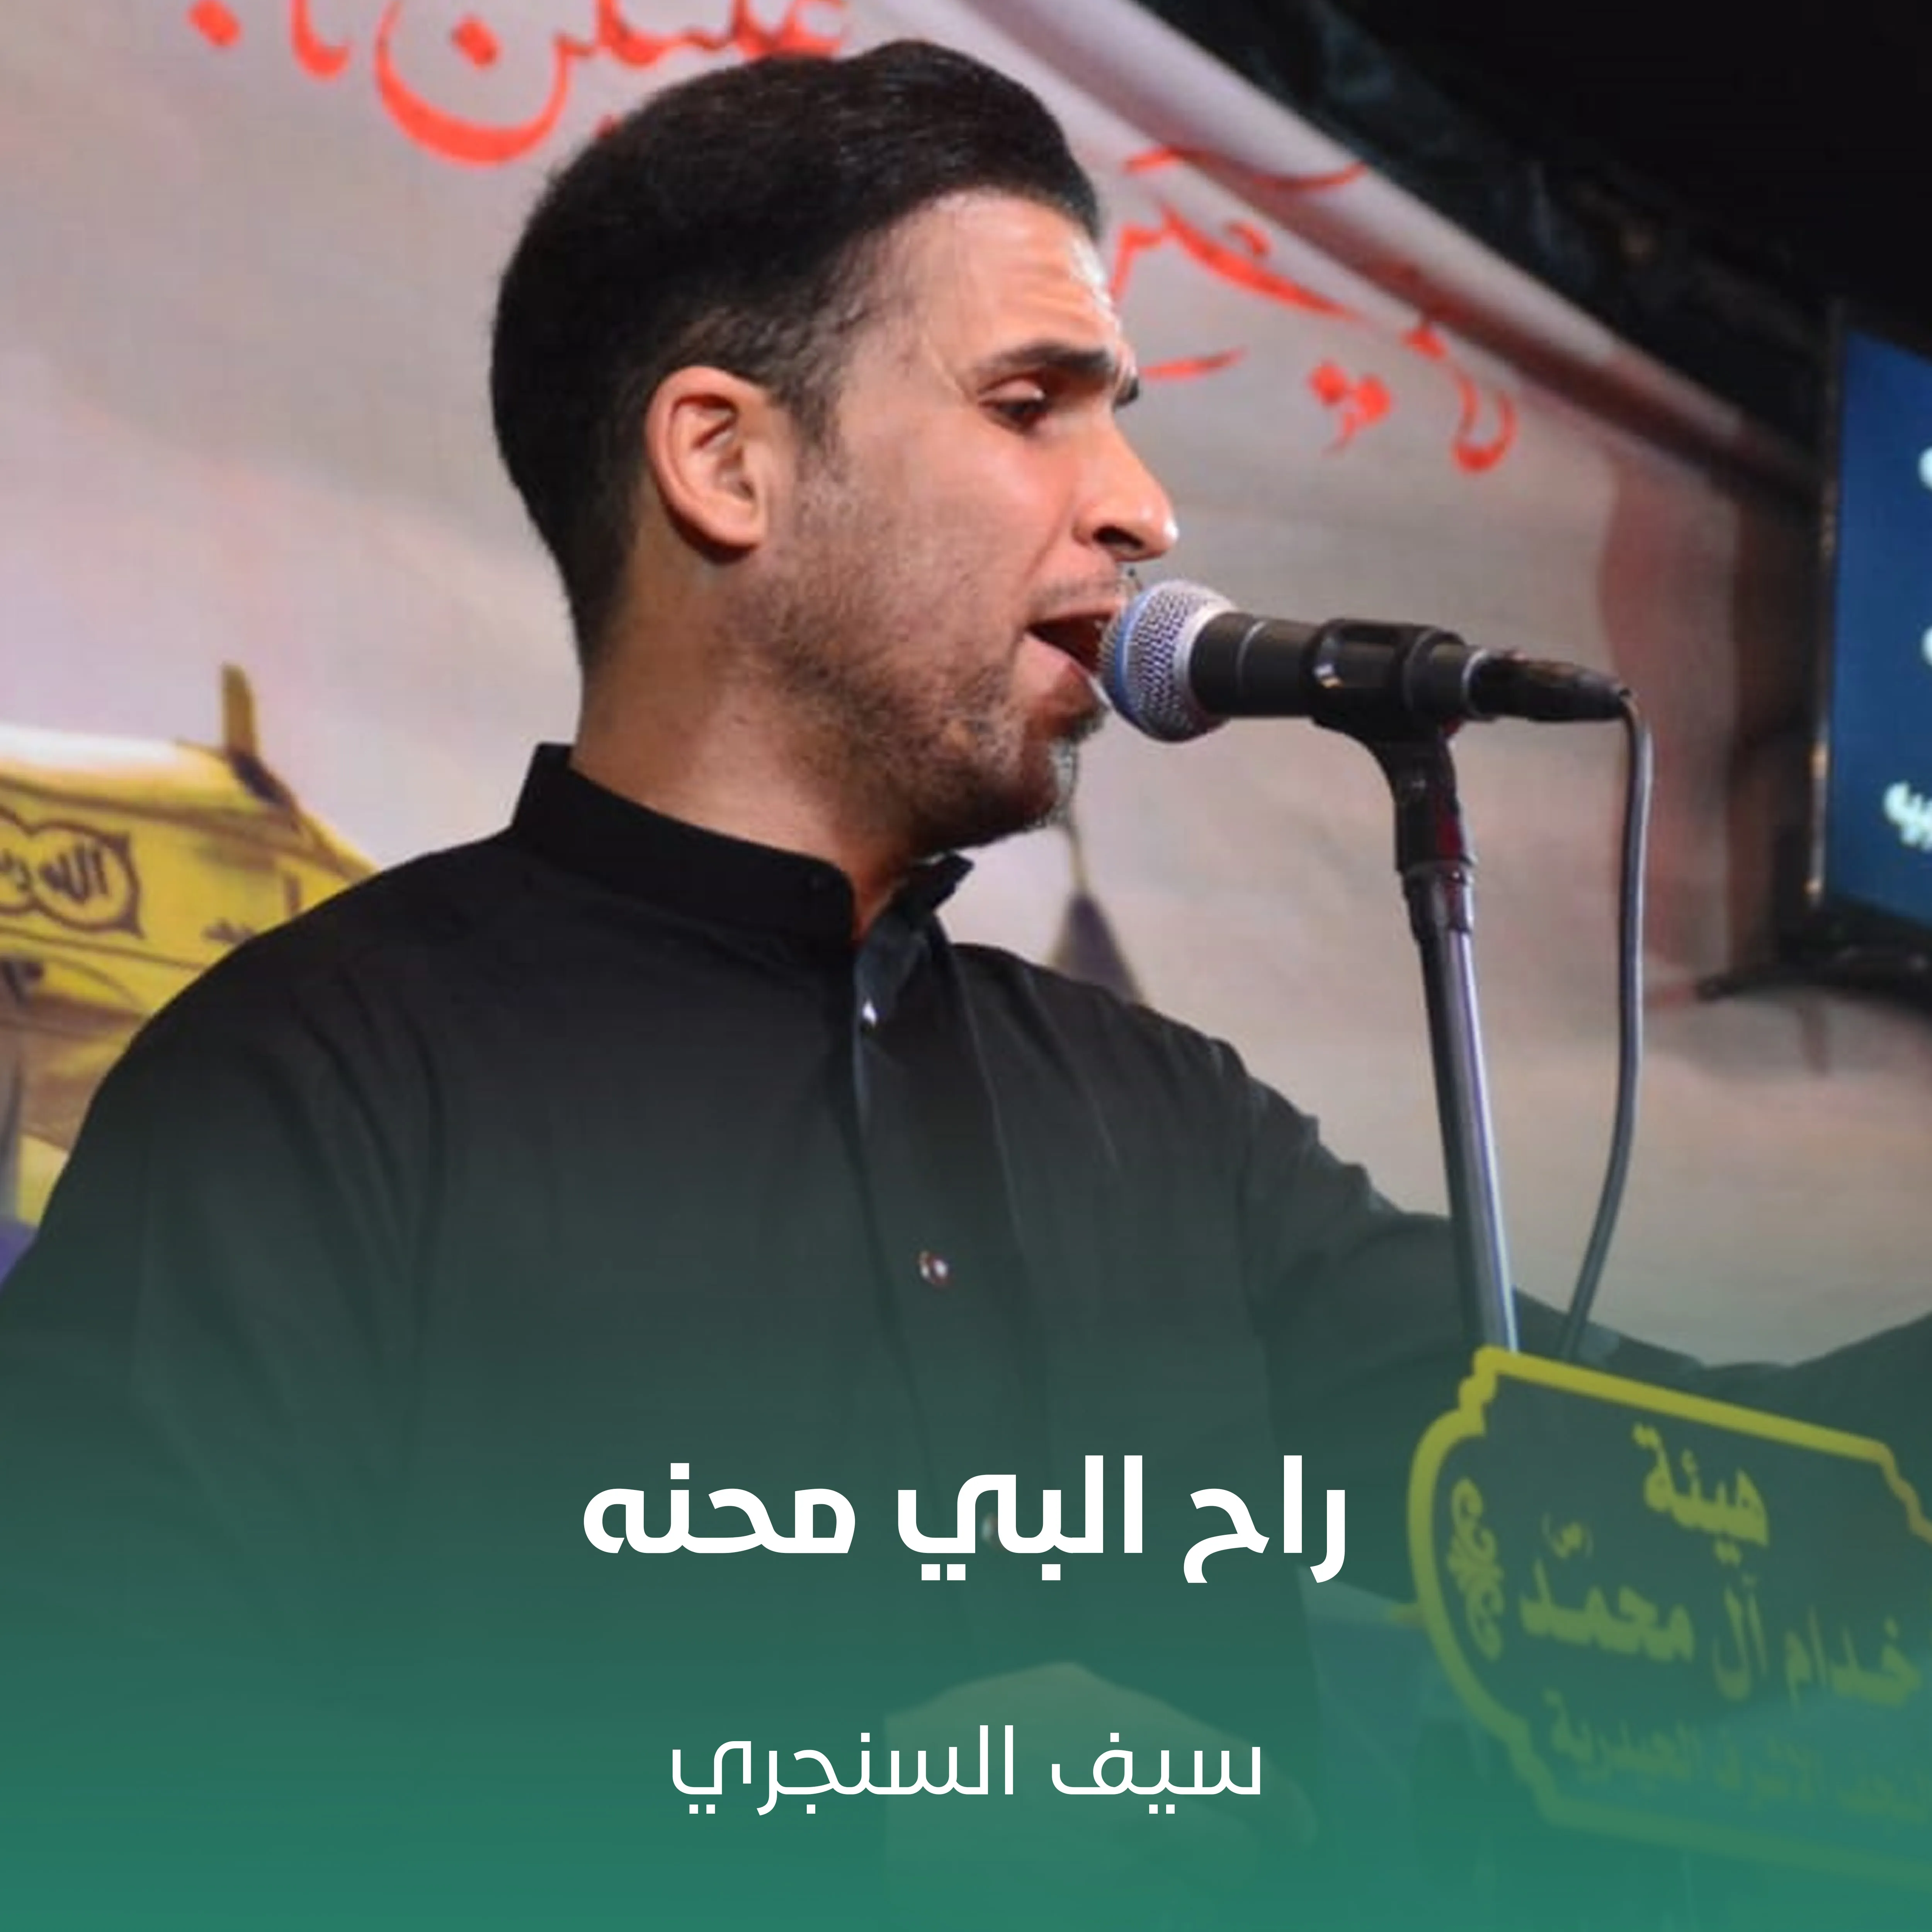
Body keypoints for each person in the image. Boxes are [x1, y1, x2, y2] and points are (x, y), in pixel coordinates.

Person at [1, 39, 1926, 1931]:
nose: (1143, 508)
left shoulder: (1165, 1121)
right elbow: (103, 1788)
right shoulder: (311, 1078)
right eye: (1031, 404)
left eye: (1120, 414)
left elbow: (1734, 1520)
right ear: (725, 461)